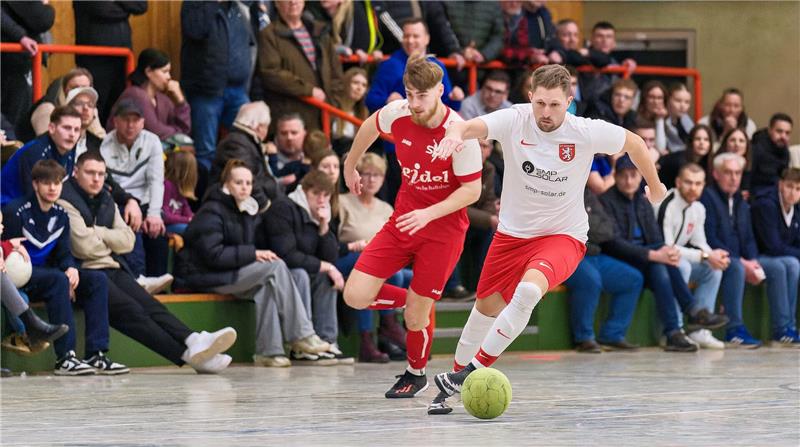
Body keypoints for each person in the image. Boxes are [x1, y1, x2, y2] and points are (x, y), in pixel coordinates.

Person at [426, 64, 681, 414]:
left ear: (569, 102)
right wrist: (456, 133)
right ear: (530, 97)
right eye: (540, 103)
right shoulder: (516, 119)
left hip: (563, 236)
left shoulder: (585, 131)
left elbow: (635, 143)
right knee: (484, 310)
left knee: (529, 290)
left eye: (555, 105)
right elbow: (470, 124)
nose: (546, 113)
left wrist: (654, 186)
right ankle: (452, 384)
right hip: (512, 236)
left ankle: (472, 369)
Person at [342, 53, 482, 398]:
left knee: (416, 319)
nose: (415, 103)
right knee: (355, 296)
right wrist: (350, 164)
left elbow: (472, 191)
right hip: (403, 222)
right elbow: (370, 124)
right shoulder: (398, 113)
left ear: (439, 91)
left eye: (422, 95)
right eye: (409, 94)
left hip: (443, 232)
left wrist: (430, 214)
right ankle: (415, 301)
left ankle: (415, 372)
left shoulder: (459, 134)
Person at [59, 151, 238, 373]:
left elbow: (127, 241)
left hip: (112, 267)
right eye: (90, 173)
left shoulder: (106, 198)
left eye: (101, 174)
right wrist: (109, 239)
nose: (96, 179)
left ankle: (193, 339)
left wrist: (96, 232)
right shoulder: (65, 199)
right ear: (76, 172)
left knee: (150, 305)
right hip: (85, 273)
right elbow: (83, 247)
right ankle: (190, 357)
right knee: (133, 313)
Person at [177, 160, 332, 367]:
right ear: (227, 185)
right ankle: (302, 334)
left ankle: (269, 352)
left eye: (248, 183)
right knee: (275, 268)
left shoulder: (247, 210)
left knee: (267, 285)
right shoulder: (211, 211)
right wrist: (253, 253)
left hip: (231, 272)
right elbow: (212, 256)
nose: (244, 187)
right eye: (239, 182)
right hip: (205, 275)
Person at [2, 160, 127, 375]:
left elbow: (64, 253)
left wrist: (71, 268)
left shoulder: (61, 214)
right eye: (46, 183)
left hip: (48, 275)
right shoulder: (16, 211)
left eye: (57, 183)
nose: (52, 188)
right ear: (35, 185)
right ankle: (66, 357)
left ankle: (96, 353)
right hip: (22, 276)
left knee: (97, 280)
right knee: (58, 280)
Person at [365, 18, 466, 205]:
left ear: (427, 39)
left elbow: (446, 107)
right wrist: (386, 101)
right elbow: (371, 100)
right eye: (406, 36)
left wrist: (456, 100)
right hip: (397, 145)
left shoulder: (437, 66)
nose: (410, 41)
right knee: (403, 199)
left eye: (416, 36)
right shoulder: (391, 65)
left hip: (433, 145)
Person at [259, 170, 350, 364]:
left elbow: (330, 257)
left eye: (326, 195)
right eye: (316, 194)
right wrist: (326, 266)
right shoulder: (284, 207)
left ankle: (327, 340)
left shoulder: (318, 214)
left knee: (325, 278)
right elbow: (286, 255)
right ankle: (301, 343)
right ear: (304, 190)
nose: (321, 200)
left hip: (301, 267)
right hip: (277, 269)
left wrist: (324, 226)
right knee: (301, 274)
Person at [335, 153, 409, 362]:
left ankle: (385, 332)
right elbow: (331, 240)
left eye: (377, 175)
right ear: (357, 176)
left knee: (397, 275)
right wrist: (354, 246)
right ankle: (373, 335)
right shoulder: (342, 202)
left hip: (377, 263)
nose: (371, 180)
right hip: (347, 258)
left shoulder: (386, 208)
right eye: (366, 174)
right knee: (369, 272)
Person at [101, 100, 172, 290]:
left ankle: (160, 286)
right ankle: (138, 280)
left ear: (143, 122)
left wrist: (154, 214)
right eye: (126, 119)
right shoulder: (105, 145)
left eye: (136, 120)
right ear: (115, 121)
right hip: (120, 202)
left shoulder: (152, 141)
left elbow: (156, 181)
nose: (131, 125)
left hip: (147, 201)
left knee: (158, 233)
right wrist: (129, 202)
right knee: (131, 223)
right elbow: (110, 185)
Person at [657, 163, 728, 349]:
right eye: (688, 182)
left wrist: (714, 255)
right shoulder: (666, 203)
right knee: (683, 266)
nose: (693, 188)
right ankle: (675, 330)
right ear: (678, 182)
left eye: (698, 183)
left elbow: (700, 242)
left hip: (677, 256)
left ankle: (699, 329)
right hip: (660, 259)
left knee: (714, 269)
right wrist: (704, 256)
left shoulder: (698, 208)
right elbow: (668, 248)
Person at [565, 187, 643, 353]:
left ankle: (612, 334)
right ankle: (584, 338)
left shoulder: (587, 194)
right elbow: (564, 227)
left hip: (594, 254)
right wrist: (590, 223)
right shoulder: (560, 191)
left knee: (632, 278)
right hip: (568, 255)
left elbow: (608, 230)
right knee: (591, 281)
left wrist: (584, 223)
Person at [701, 153, 765, 348]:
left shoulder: (741, 202)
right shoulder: (708, 197)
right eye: (728, 172)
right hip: (712, 256)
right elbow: (711, 238)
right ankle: (734, 330)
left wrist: (752, 260)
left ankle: (785, 328)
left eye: (737, 173)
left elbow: (749, 238)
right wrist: (742, 261)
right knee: (736, 267)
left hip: (737, 258)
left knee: (778, 266)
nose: (734, 177)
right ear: (716, 174)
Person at [181, 1, 255, 169]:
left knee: (248, 143)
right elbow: (195, 30)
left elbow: (250, 43)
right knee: (205, 149)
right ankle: (207, 192)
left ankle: (245, 186)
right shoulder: (194, 4)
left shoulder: (239, 7)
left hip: (238, 89)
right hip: (206, 90)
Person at [257, 0, 343, 133]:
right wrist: (309, 90)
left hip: (324, 114)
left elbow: (336, 71)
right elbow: (271, 73)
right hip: (291, 118)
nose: (293, 2)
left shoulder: (320, 31)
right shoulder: (269, 34)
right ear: (276, 4)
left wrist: (335, 102)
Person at [73, 1, 147, 123]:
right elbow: (101, 9)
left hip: (122, 57)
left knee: (120, 106)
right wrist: (126, 10)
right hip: (96, 58)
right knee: (95, 105)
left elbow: (141, 5)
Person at [750, 167, 800, 347]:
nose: (793, 193)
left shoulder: (797, 210)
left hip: (781, 257)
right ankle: (780, 329)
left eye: (798, 189)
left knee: (793, 265)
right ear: (781, 185)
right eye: (789, 186)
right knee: (782, 266)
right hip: (757, 256)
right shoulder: (767, 205)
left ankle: (790, 327)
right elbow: (773, 246)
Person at [108, 48, 192, 142]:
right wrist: (178, 133)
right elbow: (155, 131)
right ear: (148, 71)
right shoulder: (135, 94)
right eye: (164, 72)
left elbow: (185, 129)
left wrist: (180, 101)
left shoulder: (162, 99)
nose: (169, 77)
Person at [212, 101, 281, 212]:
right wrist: (265, 205)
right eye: (266, 127)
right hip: (242, 208)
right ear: (259, 127)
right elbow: (247, 180)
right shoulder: (236, 144)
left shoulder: (244, 141)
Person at [0, 0, 54, 133]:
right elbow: (42, 18)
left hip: (17, 60)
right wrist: (46, 5)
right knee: (14, 122)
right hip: (13, 60)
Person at [20, 67, 106, 143]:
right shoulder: (46, 108)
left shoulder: (89, 109)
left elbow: (100, 138)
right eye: (75, 87)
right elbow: (48, 145)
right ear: (64, 90)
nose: (80, 91)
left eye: (85, 88)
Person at [659, 124, 714, 190]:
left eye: (706, 139)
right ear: (691, 142)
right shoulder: (677, 161)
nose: (702, 142)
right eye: (697, 139)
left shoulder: (709, 164)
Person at [330, 67, 369, 157]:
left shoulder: (363, 112)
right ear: (346, 84)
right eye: (355, 83)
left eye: (364, 85)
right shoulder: (332, 107)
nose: (359, 88)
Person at [751, 113, 793, 193]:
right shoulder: (756, 148)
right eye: (779, 131)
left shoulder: (785, 151)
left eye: (787, 133)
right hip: (758, 195)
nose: (783, 136)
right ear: (769, 130)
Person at [162, 149, 197, 235]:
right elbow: (164, 216)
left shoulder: (181, 189)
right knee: (192, 231)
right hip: (166, 227)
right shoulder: (167, 185)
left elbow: (187, 212)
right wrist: (187, 220)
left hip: (178, 225)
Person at [656, 82, 695, 154]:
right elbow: (660, 148)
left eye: (687, 102)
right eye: (678, 100)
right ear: (668, 100)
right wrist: (660, 119)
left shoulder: (686, 118)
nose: (682, 105)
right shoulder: (659, 119)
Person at [717, 127, 753, 196]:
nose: (737, 144)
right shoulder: (717, 164)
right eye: (732, 140)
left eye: (741, 141)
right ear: (726, 143)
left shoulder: (752, 167)